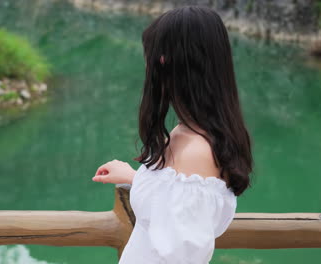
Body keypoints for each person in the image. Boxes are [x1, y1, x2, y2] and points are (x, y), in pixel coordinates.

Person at [91, 5, 253, 264]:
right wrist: (136, 179)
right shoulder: (192, 131)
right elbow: (174, 200)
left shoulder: (195, 152)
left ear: (163, 61)